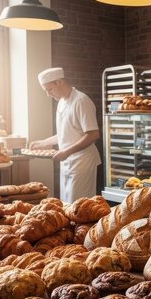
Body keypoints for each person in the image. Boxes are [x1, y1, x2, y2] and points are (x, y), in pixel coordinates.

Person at [30, 67, 101, 203]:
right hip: (68, 162)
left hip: (82, 162)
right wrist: (44, 142)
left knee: (80, 207)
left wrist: (66, 151)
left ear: (59, 82)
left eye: (49, 90)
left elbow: (93, 134)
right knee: (67, 204)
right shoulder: (62, 102)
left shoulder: (81, 101)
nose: (48, 94)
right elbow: (67, 133)